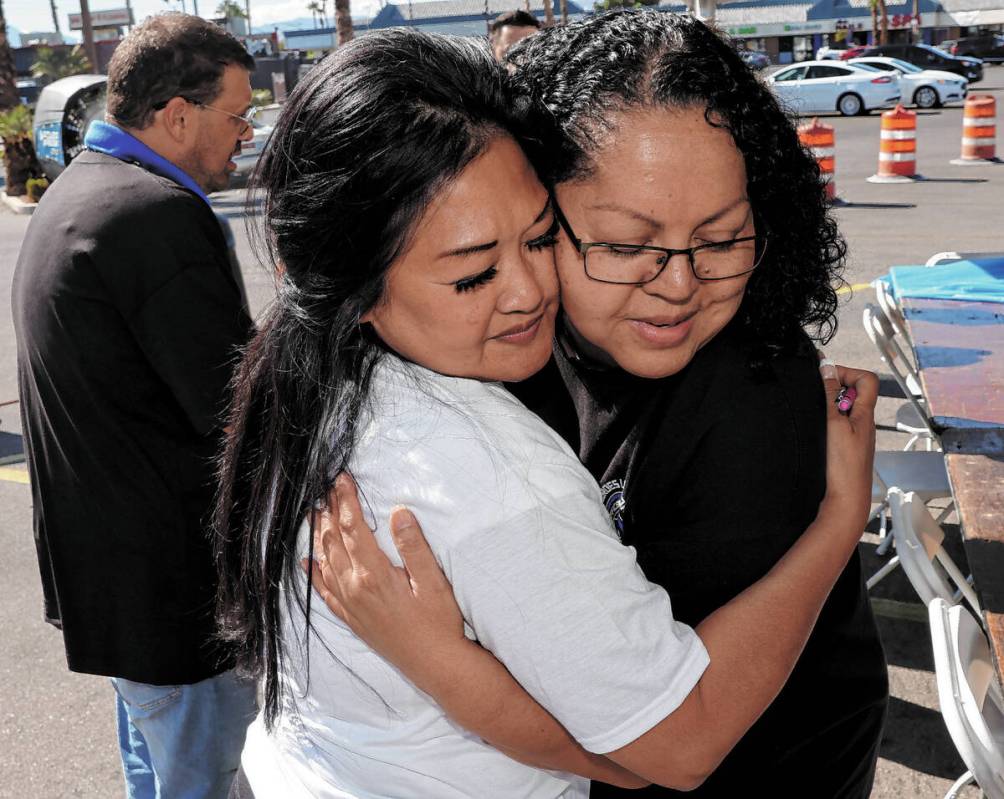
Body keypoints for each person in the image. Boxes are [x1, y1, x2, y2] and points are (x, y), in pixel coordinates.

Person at [214, 24, 878, 799]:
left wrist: (838, 522)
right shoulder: (495, 351)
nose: (678, 282)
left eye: (723, 237)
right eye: (626, 244)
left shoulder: (749, 399)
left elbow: (681, 735)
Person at [12, 13, 258, 798]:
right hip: (182, 603)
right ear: (177, 114)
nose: (246, 135)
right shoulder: (155, 216)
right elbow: (238, 412)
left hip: (123, 595)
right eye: (236, 115)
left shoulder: (76, 192)